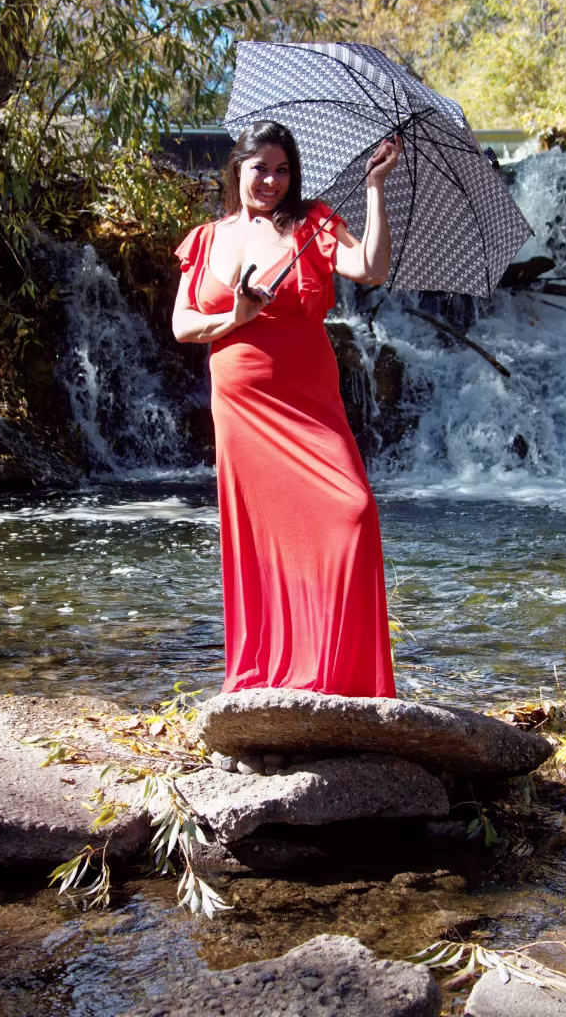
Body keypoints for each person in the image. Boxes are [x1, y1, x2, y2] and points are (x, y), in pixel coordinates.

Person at [172, 120, 401, 698]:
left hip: (308, 399)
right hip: (241, 403)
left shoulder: (313, 223)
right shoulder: (205, 238)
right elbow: (183, 324)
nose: (272, 181)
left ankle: (340, 677)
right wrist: (234, 319)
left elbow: (371, 268)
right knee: (263, 536)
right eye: (261, 169)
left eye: (282, 170)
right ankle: (272, 671)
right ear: (237, 170)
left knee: (353, 512)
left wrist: (375, 188)